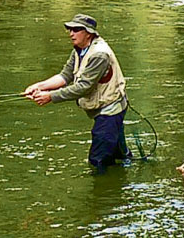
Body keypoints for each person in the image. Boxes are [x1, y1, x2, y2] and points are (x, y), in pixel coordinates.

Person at [24, 13, 132, 172]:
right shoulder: (79, 50)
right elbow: (65, 76)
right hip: (104, 109)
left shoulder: (99, 55)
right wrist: (40, 86)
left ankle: (103, 194)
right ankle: (123, 178)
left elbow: (83, 87)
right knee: (118, 156)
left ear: (88, 33)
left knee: (98, 161)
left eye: (76, 30)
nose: (71, 33)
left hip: (110, 111)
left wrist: (50, 97)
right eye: (70, 29)